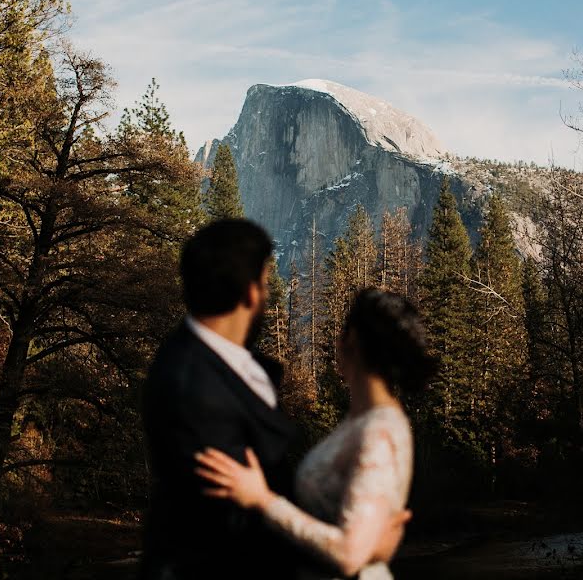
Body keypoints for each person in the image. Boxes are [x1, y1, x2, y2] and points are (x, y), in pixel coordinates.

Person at [139, 219, 407, 580]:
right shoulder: (191, 386)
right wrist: (359, 552)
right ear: (250, 293)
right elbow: (228, 531)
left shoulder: (232, 363)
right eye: (266, 283)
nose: (268, 294)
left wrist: (356, 545)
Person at [195, 288, 434, 580]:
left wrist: (261, 499)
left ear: (353, 341)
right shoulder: (364, 421)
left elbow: (348, 554)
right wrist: (372, 549)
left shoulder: (379, 431)